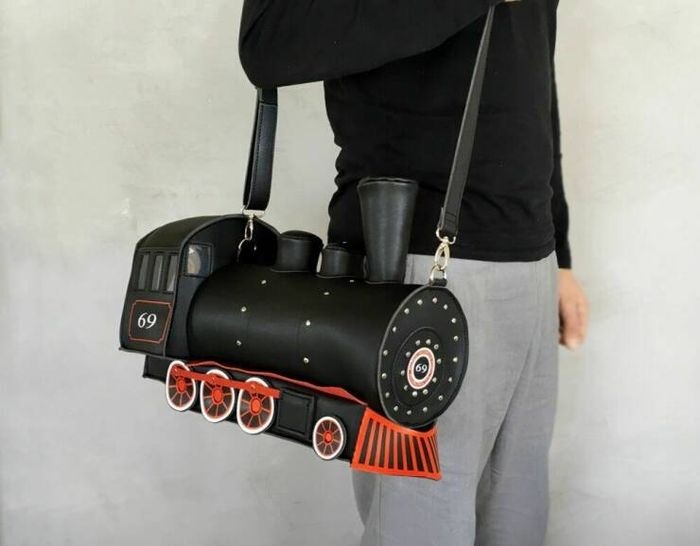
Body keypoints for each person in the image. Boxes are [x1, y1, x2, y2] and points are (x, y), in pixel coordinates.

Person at [238, 1, 588, 544]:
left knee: (517, 524)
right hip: (411, 262)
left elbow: (530, 68)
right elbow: (269, 42)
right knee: (419, 528)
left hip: (530, 261)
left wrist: (558, 251)